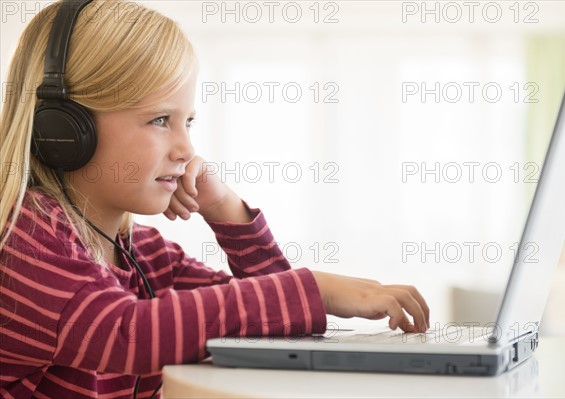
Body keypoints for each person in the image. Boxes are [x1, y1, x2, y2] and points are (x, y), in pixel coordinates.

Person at [0, 0, 430, 397]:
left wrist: (225, 208)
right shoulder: (25, 238)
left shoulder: (145, 256)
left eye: (187, 120)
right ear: (62, 131)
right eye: (159, 119)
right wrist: (314, 287)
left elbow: (268, 321)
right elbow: (126, 333)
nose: (186, 149)